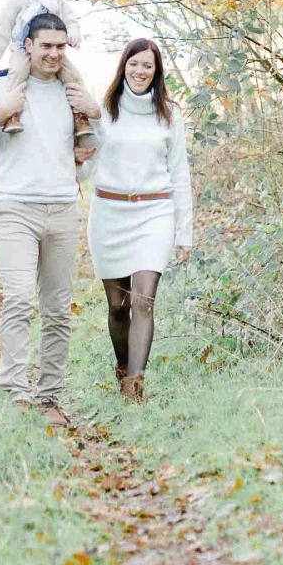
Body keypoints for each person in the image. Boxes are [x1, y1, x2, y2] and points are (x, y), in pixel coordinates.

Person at [0, 10, 102, 421]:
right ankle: (15, 392)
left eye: (61, 46)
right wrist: (0, 113)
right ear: (28, 46)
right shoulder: (2, 86)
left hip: (63, 209)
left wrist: (95, 113)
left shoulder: (73, 91)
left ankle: (49, 397)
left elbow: (95, 158)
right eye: (46, 46)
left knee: (58, 309)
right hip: (14, 208)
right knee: (19, 299)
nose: (54, 54)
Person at [88, 38, 192, 404]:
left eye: (148, 65)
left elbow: (180, 174)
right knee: (117, 306)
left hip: (154, 214)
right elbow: (86, 163)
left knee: (143, 301)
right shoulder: (104, 111)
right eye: (134, 64)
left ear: (156, 71)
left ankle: (136, 388)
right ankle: (122, 370)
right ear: (124, 67)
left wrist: (185, 232)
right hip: (109, 214)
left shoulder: (169, 114)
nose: (140, 71)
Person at [0, 0, 95, 162]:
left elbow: (71, 19)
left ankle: (80, 118)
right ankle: (13, 116)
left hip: (50, 49)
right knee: (16, 75)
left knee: (73, 76)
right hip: (21, 48)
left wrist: (73, 34)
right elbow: (3, 27)